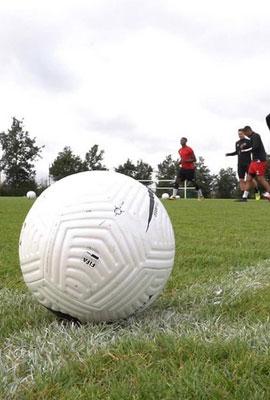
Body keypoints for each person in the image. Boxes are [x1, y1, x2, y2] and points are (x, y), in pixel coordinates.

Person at [225, 129, 260, 200]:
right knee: (241, 179)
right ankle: (244, 196)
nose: (239, 135)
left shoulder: (248, 141)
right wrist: (229, 154)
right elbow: (237, 152)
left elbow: (253, 149)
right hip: (240, 164)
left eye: (241, 134)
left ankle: (256, 190)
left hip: (248, 163)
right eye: (238, 134)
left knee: (251, 179)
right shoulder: (237, 142)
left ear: (244, 134)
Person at [239, 126, 270, 202]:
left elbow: (255, 147)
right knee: (248, 178)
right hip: (254, 162)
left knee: (260, 179)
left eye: (245, 133)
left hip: (260, 160)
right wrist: (244, 146)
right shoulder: (251, 138)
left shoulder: (256, 136)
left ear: (248, 131)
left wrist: (245, 150)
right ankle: (244, 197)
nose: (245, 135)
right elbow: (250, 145)